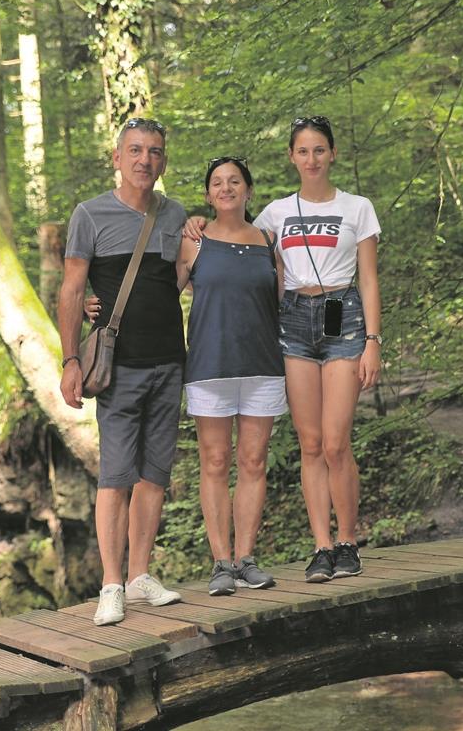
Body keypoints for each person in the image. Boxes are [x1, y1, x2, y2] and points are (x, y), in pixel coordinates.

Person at [187, 115, 382, 583]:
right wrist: (195, 221)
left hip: (343, 315)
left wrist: (374, 340)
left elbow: (370, 279)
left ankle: (348, 540)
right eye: (303, 151)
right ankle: (320, 545)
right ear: (291, 157)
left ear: (332, 154)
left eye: (320, 150)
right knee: (310, 443)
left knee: (336, 442)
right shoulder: (274, 215)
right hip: (293, 321)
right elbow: (236, 244)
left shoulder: (358, 208)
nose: (311, 158)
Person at [58, 117, 185, 626]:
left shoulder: (174, 215)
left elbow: (181, 276)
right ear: (116, 157)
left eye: (154, 152)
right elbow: (71, 291)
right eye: (134, 150)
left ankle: (140, 576)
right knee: (115, 477)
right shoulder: (89, 215)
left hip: (170, 362)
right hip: (117, 368)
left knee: (155, 474)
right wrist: (70, 360)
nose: (144, 160)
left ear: (163, 161)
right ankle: (111, 585)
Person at [178, 157, 284, 595]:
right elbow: (162, 292)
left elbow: (283, 300)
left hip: (262, 364)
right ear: (208, 194)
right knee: (216, 461)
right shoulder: (195, 241)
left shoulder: (268, 239)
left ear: (248, 190)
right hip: (209, 364)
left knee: (254, 462)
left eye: (234, 181)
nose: (226, 188)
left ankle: (246, 559)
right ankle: (221, 563)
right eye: (217, 183)